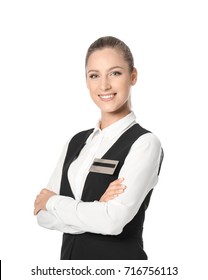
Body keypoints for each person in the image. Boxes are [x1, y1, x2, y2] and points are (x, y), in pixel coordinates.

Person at [34, 36, 164, 260]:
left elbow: (112, 222)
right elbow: (42, 216)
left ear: (133, 76)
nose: (104, 85)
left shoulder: (144, 143)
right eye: (94, 75)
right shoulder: (76, 142)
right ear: (86, 81)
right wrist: (94, 208)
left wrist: (54, 202)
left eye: (115, 73)